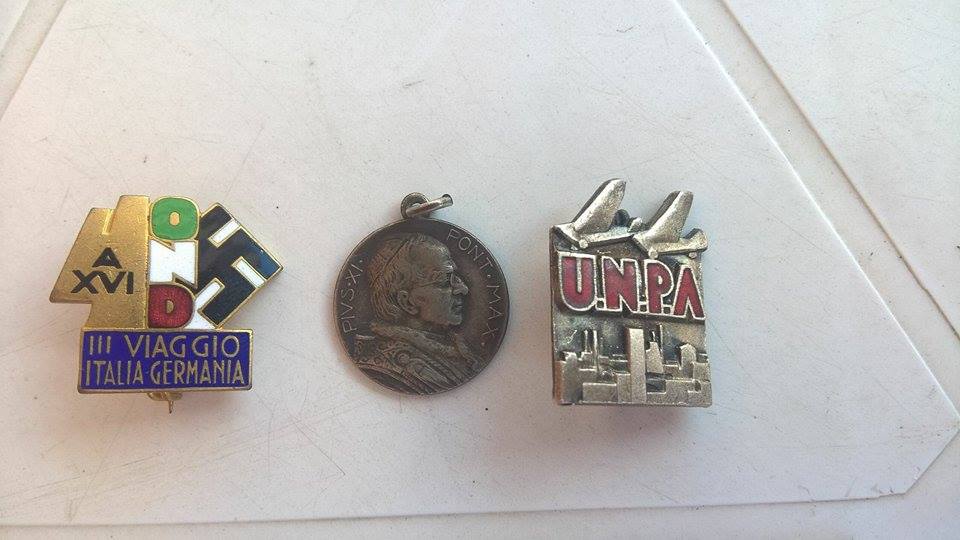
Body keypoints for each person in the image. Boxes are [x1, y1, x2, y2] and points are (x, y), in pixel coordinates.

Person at [355, 233, 481, 393]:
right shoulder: (381, 366)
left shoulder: (460, 350)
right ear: (407, 302)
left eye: (456, 278)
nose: (463, 288)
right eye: (445, 280)